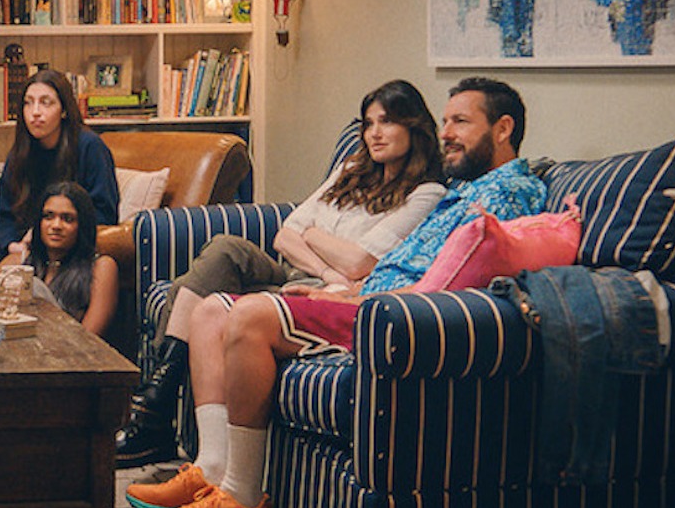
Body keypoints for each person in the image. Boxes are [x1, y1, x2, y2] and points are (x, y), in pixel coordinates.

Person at [127, 77, 547, 508]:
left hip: (393, 314)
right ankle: (211, 468)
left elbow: (453, 278)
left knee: (249, 317)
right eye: (446, 121)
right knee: (209, 311)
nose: (446, 132)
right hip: (369, 295)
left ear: (503, 129)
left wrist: (358, 296)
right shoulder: (465, 190)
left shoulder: (506, 194)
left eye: (461, 122)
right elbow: (374, 255)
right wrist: (353, 286)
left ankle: (242, 501)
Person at [117, 79, 448, 467]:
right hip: (303, 274)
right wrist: (325, 264)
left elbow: (360, 262)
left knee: (195, 295)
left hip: (325, 292)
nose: (374, 133)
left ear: (414, 126)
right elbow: (286, 233)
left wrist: (313, 238)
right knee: (224, 249)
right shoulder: (351, 169)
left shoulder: (427, 193)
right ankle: (158, 398)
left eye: (387, 122)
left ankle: (154, 414)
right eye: (369, 123)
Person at [0, 69, 120, 270]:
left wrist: (45, 231)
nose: (35, 112)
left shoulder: (90, 146)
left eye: (46, 103)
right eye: (28, 103)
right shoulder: (20, 151)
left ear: (64, 110)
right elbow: (5, 215)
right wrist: (12, 244)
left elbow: (105, 214)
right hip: (24, 246)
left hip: (70, 248)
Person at [5, 181, 118, 337]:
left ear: (82, 225)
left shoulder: (101, 267)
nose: (56, 225)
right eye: (48, 216)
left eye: (67, 219)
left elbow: (88, 338)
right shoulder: (16, 263)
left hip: (74, 348)